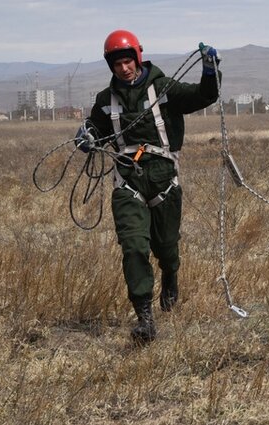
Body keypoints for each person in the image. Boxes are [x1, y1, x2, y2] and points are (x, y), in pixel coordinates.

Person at [73, 30, 220, 345]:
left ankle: (170, 275)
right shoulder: (105, 101)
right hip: (128, 182)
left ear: (137, 58)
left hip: (164, 179)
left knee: (166, 247)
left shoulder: (164, 88)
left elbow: (204, 96)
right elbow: (93, 129)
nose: (123, 69)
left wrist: (210, 71)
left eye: (127, 62)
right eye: (117, 64)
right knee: (134, 247)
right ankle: (144, 318)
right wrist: (85, 136)